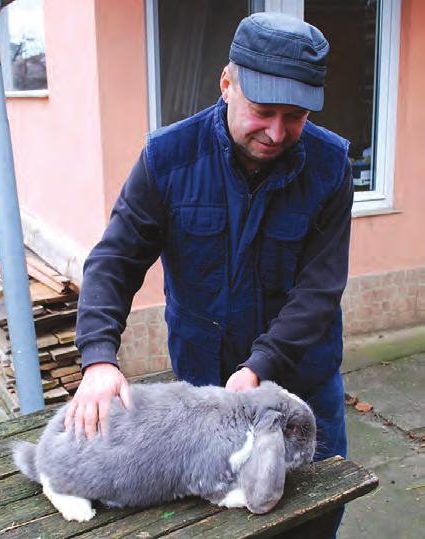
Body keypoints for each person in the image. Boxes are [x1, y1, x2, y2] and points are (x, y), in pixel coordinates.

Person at [66, 12, 353, 538]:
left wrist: (262, 366)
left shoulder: (331, 166)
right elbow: (116, 260)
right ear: (227, 83)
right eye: (263, 111)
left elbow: (319, 290)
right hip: (205, 397)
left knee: (310, 522)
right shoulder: (167, 158)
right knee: (216, 523)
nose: (276, 131)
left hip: (302, 398)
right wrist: (99, 358)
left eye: (296, 117)